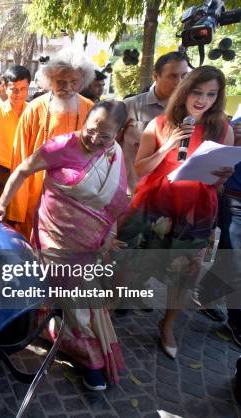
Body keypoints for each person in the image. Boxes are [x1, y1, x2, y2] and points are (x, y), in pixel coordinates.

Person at [0, 100, 130, 390]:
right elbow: (22, 171)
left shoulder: (114, 154)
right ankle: (89, 357)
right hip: (55, 234)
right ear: (85, 121)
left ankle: (50, 328)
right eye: (91, 130)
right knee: (74, 298)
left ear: (118, 134)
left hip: (92, 243)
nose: (96, 139)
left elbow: (113, 203)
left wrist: (109, 233)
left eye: (106, 136)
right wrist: (1, 205)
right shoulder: (61, 146)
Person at [117, 66, 234, 359]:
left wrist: (222, 175)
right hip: (155, 205)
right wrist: (168, 144)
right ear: (185, 91)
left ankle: (167, 325)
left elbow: (220, 180)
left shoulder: (222, 128)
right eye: (197, 91)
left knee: (184, 274)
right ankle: (109, 309)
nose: (203, 99)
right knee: (130, 262)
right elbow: (140, 168)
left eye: (211, 94)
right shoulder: (159, 123)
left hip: (195, 210)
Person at [8, 48, 95, 239]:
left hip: (76, 199)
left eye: (74, 82)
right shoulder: (34, 109)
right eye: (61, 82)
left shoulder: (91, 109)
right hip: (37, 197)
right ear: (50, 81)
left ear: (82, 81)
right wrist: (17, 208)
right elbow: (21, 158)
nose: (68, 87)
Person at [196, 119, 241, 347]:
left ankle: (206, 293)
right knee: (235, 258)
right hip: (234, 197)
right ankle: (238, 321)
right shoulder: (234, 126)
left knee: (229, 254)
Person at [122, 52, 189, 195]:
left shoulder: (191, 111)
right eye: (172, 76)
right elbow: (109, 147)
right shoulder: (129, 106)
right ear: (155, 76)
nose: (179, 82)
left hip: (171, 194)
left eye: (184, 76)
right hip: (132, 191)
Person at [0, 65, 31, 208]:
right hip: (1, 175)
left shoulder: (33, 112)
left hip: (27, 174)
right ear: (5, 88)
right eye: (14, 90)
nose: (19, 94)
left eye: (23, 89)